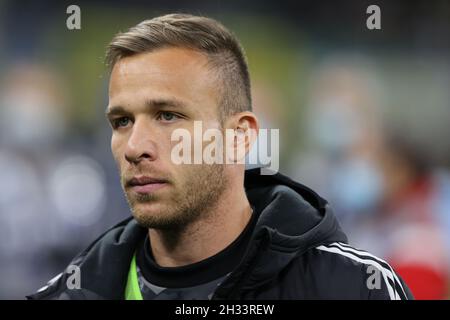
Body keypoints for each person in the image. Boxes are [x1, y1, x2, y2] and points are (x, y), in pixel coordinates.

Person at [28, 13, 413, 300]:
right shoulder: (71, 293)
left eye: (168, 116)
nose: (134, 147)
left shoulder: (353, 288)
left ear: (238, 136)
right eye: (122, 120)